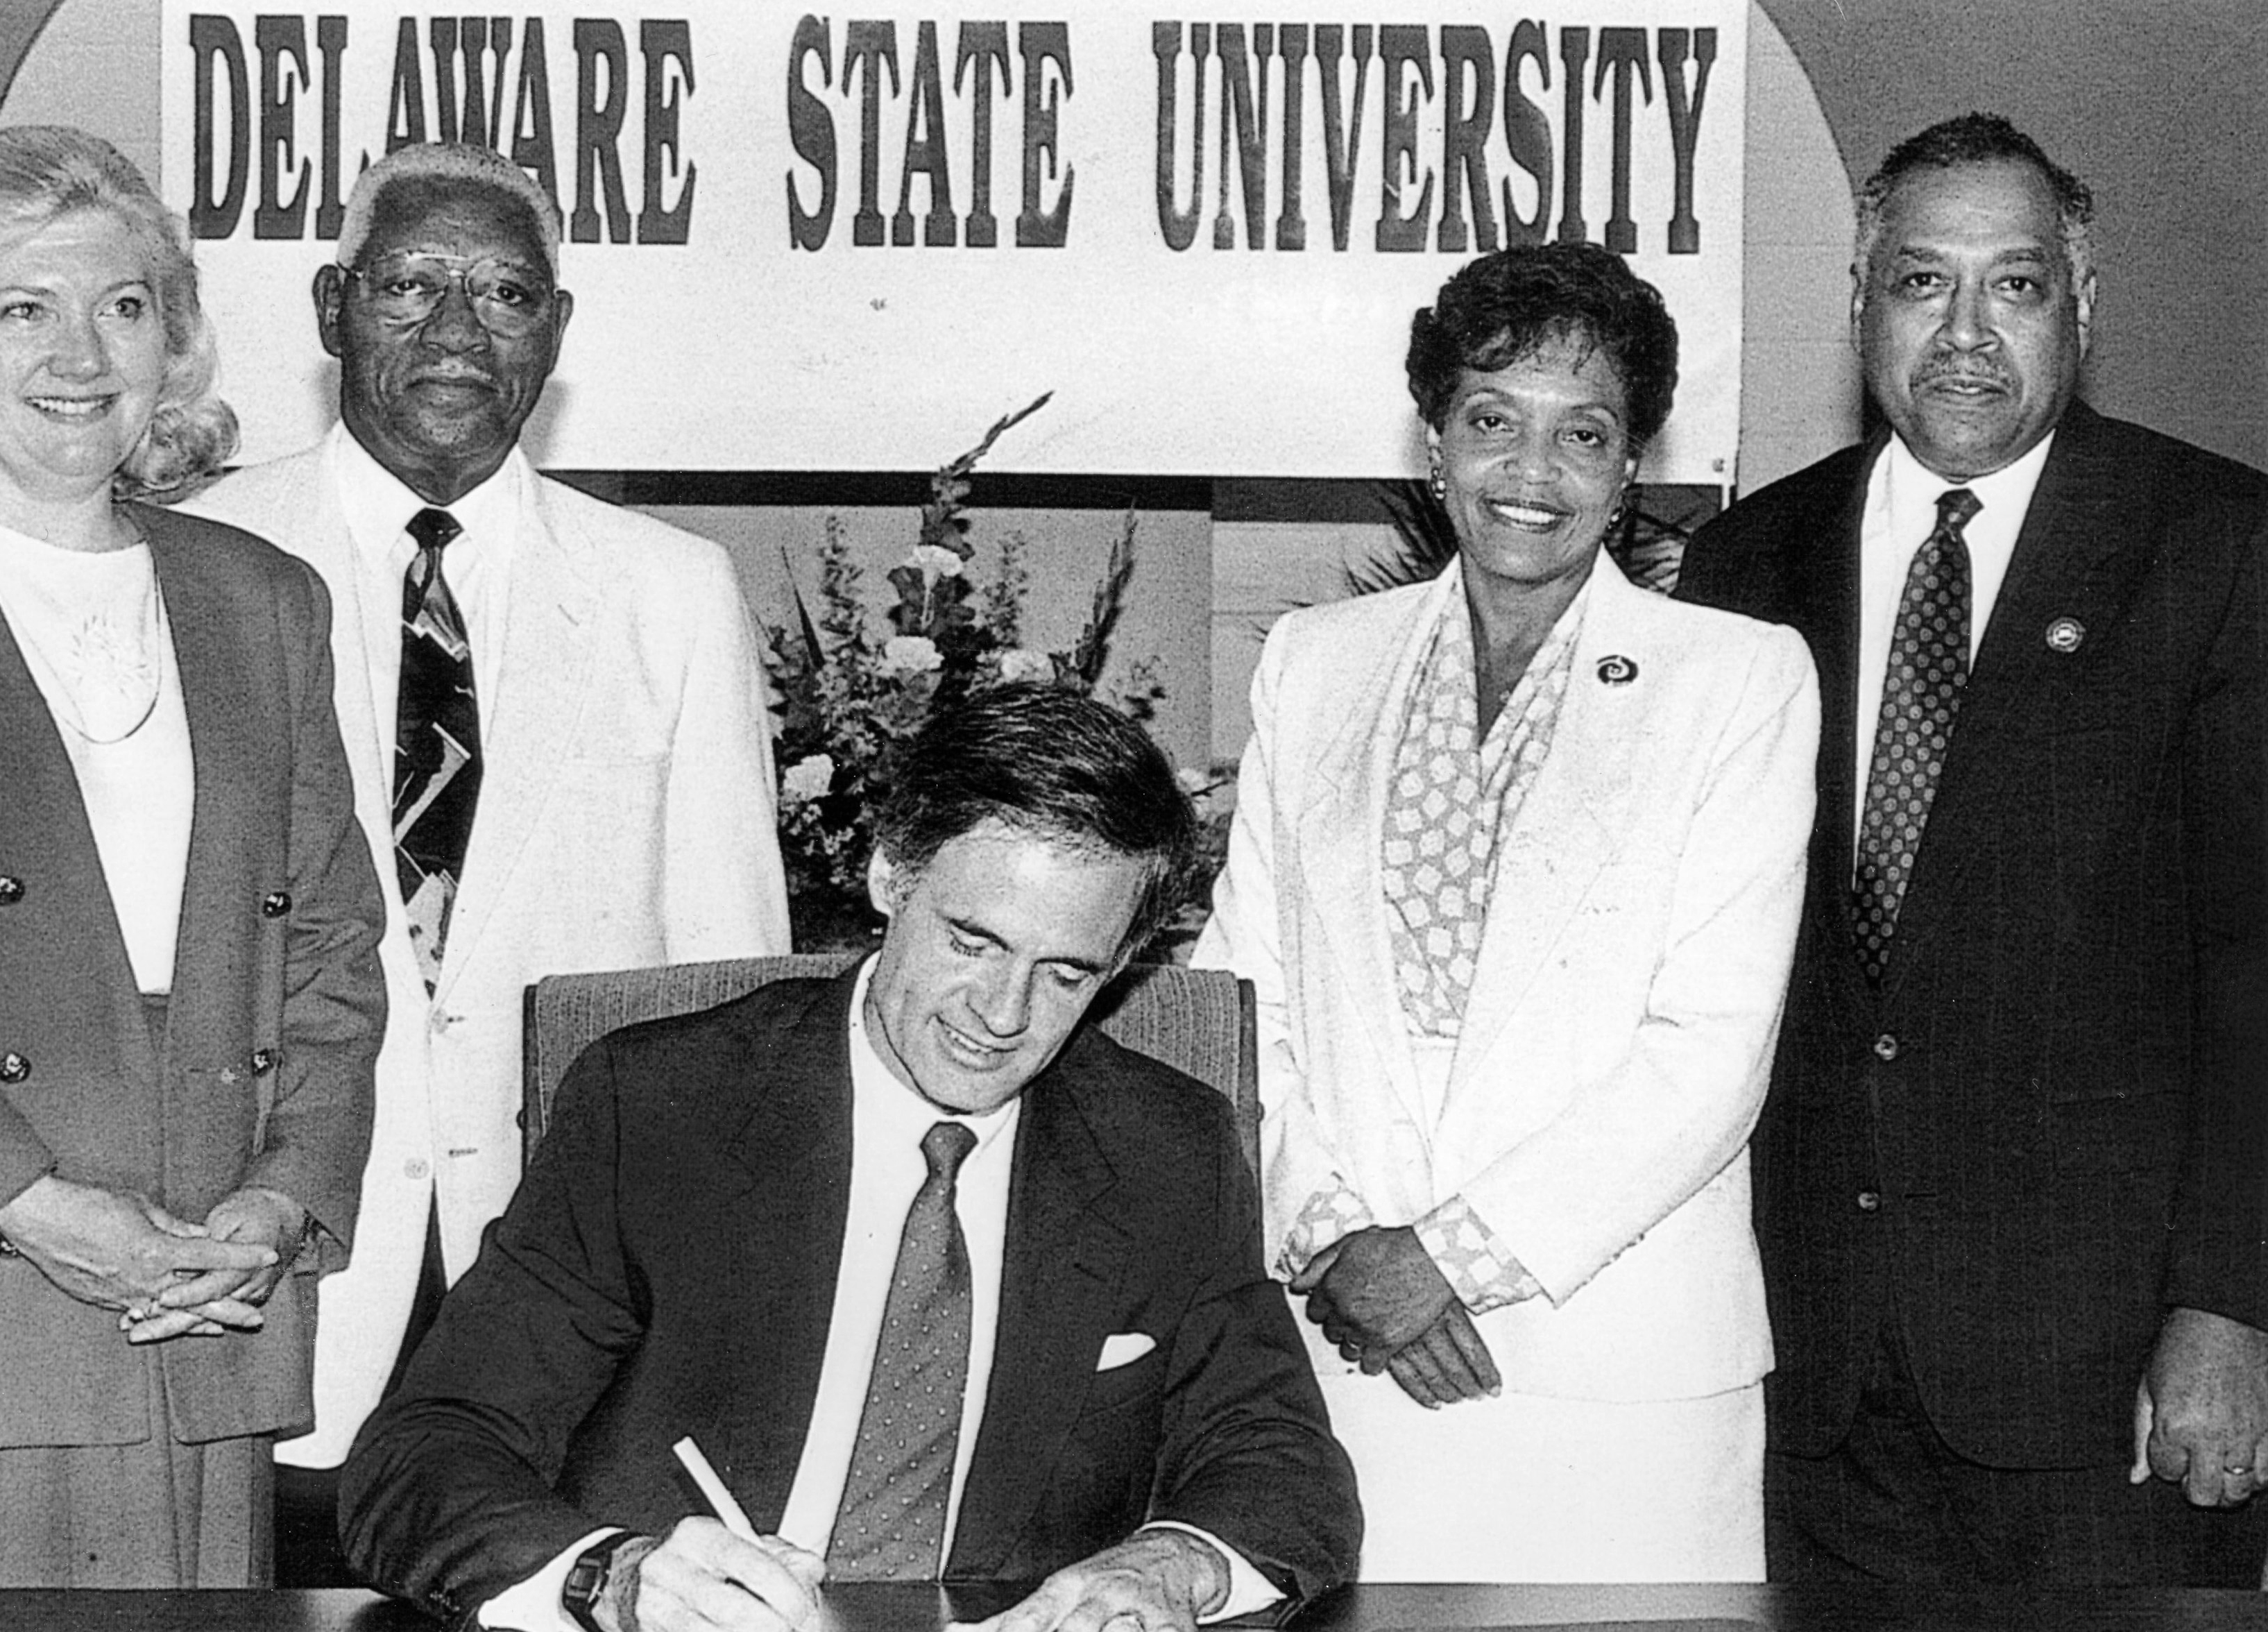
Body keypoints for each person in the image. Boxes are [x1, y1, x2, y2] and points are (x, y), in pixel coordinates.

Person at [340, 685, 1360, 1632]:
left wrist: (1168, 1564)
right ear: (888, 875)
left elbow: (1285, 1469)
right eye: (971, 942)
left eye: (1065, 974)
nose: (1002, 1016)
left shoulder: (1165, 1149)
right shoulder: (658, 1109)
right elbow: (422, 1453)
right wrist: (610, 1576)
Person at [1675, 113, 2268, 1585]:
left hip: (2107, 1382)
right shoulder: (1747, 565)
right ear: (1860, 299)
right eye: (1921, 283)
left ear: (2083, 308)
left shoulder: (2219, 543)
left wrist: (2235, 1311)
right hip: (1810, 1370)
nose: (1963, 333)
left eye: (2013, 287)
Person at [185, 140, 790, 1552]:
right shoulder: (193, 555)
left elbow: (724, 990)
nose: (458, 333)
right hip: (268, 1270)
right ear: (332, 307)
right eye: (409, 288)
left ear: (557, 334)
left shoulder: (671, 593)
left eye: (507, 296)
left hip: (561, 1294)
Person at [1191, 241, 1819, 1582]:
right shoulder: (1316, 663)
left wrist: (1449, 1258)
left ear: (1630, 461)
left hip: (1620, 1372)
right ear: (1435, 440)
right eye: (1492, 423)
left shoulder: (1738, 679)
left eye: (1579, 434)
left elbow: (1711, 1049)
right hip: (1343, 1346)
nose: (1530, 476)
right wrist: (1335, 1243)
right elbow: (1242, 1004)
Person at [0, 126, 384, 1588]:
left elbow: (331, 952)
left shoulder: (263, 599)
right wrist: (35, 1208)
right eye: (24, 309)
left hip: (193, 1310)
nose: (83, 352)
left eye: (123, 307)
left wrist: (280, 1203)